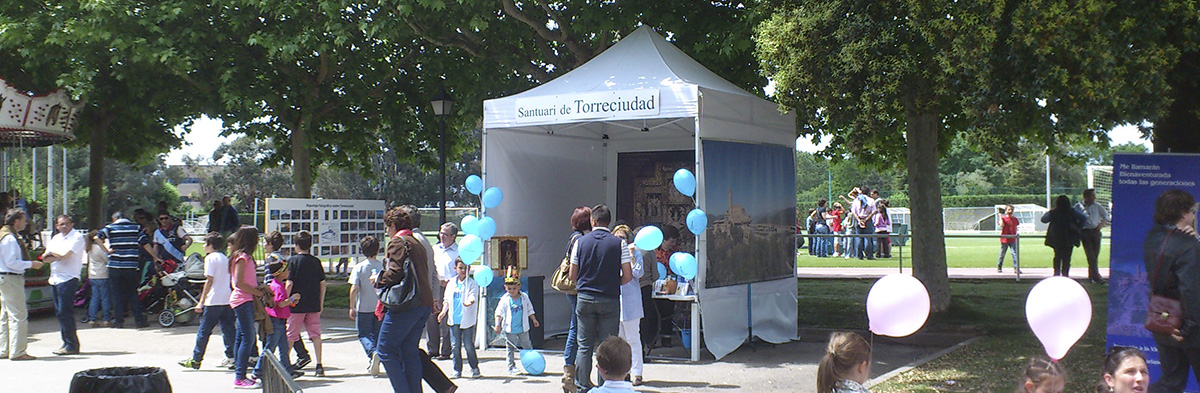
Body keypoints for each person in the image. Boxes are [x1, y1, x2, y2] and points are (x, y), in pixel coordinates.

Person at [568, 204, 634, 393]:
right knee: (607, 345)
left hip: (585, 297)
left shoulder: (580, 242)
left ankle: (582, 385)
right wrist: (613, 283)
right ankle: (605, 385)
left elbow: (573, 274)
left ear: (593, 221)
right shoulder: (619, 243)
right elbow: (628, 275)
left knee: (584, 344)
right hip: (609, 298)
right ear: (609, 222)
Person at [1143, 189, 1200, 393]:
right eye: (1193, 212)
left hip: (1163, 319)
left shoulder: (1152, 237)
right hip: (1189, 327)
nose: (1194, 216)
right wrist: (1189, 327)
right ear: (1184, 214)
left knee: (1171, 382)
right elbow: (1191, 290)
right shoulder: (1189, 245)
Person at [376, 205, 436, 393]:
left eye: (387, 227)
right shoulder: (417, 241)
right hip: (423, 303)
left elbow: (395, 273)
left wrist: (378, 279)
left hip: (407, 304)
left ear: (393, 225)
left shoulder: (398, 242)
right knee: (409, 352)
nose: (387, 231)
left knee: (385, 350)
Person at [179, 232, 236, 370]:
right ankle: (233, 357)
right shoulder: (224, 257)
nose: (204, 246)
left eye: (205, 243)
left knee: (204, 331)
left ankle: (196, 359)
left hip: (214, 299)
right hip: (226, 298)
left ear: (210, 245)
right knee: (228, 329)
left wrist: (201, 301)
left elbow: (209, 281)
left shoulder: (210, 258)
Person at [96, 211, 157, 329]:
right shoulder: (136, 228)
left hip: (115, 266)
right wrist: (156, 257)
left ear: (114, 218)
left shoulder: (110, 227)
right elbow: (145, 244)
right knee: (133, 293)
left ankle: (119, 321)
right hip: (131, 266)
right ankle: (139, 321)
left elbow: (97, 237)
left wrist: (106, 250)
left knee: (116, 294)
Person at [0, 209, 45, 360]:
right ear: (15, 221)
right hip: (11, 278)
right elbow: (11, 262)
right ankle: (18, 351)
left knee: (6, 315)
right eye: (24, 219)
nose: (26, 223)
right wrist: (31, 264)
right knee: (18, 315)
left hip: (5, 278)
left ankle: (4, 348)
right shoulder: (10, 239)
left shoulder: (5, 235)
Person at [41, 215, 86, 355]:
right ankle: (66, 342)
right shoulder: (56, 238)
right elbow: (45, 258)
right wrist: (57, 255)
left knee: (65, 312)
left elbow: (65, 255)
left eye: (66, 224)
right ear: (56, 226)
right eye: (61, 224)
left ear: (72, 224)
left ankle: (72, 345)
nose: (64, 226)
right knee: (59, 313)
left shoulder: (77, 237)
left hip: (68, 278)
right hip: (55, 278)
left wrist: (55, 255)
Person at [286, 230, 327, 377]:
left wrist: (286, 299)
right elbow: (322, 284)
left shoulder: (292, 261)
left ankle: (285, 362)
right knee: (315, 334)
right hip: (313, 304)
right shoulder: (316, 262)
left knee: (291, 335)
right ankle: (319, 365)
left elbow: (289, 283)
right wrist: (320, 303)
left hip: (295, 306)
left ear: (296, 245)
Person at [228, 226, 263, 389]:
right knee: (248, 338)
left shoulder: (245, 257)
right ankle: (240, 377)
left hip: (245, 299)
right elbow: (239, 283)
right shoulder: (241, 258)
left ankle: (240, 373)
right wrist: (257, 292)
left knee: (242, 337)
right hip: (242, 300)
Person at [255, 261, 303, 379]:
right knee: (270, 347)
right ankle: (258, 370)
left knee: (284, 347)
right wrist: (292, 298)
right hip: (276, 321)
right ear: (280, 273)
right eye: (286, 270)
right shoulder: (277, 287)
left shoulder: (277, 284)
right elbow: (280, 304)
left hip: (280, 321)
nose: (288, 272)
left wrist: (290, 302)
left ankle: (287, 369)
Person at [561, 205, 592, 393]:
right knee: (576, 329)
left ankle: (570, 375)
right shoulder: (580, 239)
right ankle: (570, 375)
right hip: (577, 289)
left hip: (573, 289)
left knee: (576, 327)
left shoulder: (574, 237)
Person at [611, 225, 645, 385]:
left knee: (633, 338)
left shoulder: (636, 254)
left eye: (623, 237)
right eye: (617, 237)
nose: (620, 240)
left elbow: (638, 273)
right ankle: (623, 372)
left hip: (631, 302)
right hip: (616, 301)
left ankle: (637, 373)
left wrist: (631, 257)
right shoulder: (611, 254)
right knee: (619, 340)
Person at [437, 259, 480, 378]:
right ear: (455, 268)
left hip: (466, 320)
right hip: (454, 319)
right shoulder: (451, 283)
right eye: (460, 268)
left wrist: (469, 302)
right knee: (455, 346)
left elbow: (473, 296)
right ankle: (457, 370)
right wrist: (443, 312)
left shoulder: (472, 283)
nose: (463, 270)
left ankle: (474, 368)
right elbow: (446, 300)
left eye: (465, 268)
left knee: (468, 345)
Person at [349, 235, 384, 368]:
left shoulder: (359, 267)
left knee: (363, 333)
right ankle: (374, 359)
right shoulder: (382, 266)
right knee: (376, 333)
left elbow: (354, 288)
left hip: (364, 307)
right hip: (379, 306)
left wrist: (351, 306)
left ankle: (372, 352)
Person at [494, 277, 539, 375]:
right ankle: (511, 366)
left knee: (527, 346)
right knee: (510, 348)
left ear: (519, 287)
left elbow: (529, 309)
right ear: (505, 288)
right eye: (509, 289)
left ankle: (531, 364)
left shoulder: (524, 297)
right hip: (510, 329)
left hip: (523, 328)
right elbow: (499, 312)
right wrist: (497, 324)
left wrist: (534, 319)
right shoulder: (505, 299)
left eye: (514, 288)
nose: (512, 291)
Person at [429, 222, 459, 360]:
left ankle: (446, 351)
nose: (442, 236)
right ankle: (432, 349)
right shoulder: (435, 249)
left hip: (449, 288)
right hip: (435, 287)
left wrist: (449, 281)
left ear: (453, 236)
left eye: (445, 234)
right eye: (441, 233)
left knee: (446, 319)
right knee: (431, 318)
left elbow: (461, 271)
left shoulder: (458, 252)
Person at [1041, 195, 1088, 277]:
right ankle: (1065, 274)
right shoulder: (1072, 211)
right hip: (1069, 236)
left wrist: (1051, 211)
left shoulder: (1054, 212)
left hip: (1056, 236)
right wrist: (1078, 227)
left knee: (1057, 256)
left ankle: (1056, 273)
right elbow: (1084, 218)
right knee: (1067, 257)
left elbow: (1043, 219)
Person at [1076, 189, 1112, 283]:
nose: (1094, 197)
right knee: (1091, 255)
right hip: (1085, 232)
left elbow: (1106, 216)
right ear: (1086, 197)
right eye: (1092, 195)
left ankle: (1091, 276)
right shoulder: (1078, 206)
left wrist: (1100, 225)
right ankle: (1097, 277)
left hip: (1096, 232)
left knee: (1094, 255)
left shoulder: (1097, 206)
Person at [83, 229, 113, 327]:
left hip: (92, 275)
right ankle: (106, 319)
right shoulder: (99, 248)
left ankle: (92, 319)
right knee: (105, 298)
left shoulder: (89, 248)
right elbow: (106, 260)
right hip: (103, 274)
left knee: (95, 297)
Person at [853, 186, 876, 260]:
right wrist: (866, 219)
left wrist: (859, 220)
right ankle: (869, 255)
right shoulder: (871, 200)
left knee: (859, 238)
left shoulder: (856, 200)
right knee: (868, 238)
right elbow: (873, 211)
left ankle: (859, 255)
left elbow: (853, 211)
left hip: (858, 218)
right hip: (867, 220)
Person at [997, 204, 1020, 273]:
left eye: (1012, 210)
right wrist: (1000, 217)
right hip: (1005, 239)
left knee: (1014, 253)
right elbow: (1001, 225)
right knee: (1002, 253)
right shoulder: (1003, 218)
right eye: (1009, 209)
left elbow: (1015, 227)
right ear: (1006, 210)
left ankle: (1016, 268)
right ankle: (999, 266)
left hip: (1013, 239)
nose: (1010, 211)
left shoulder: (1015, 219)